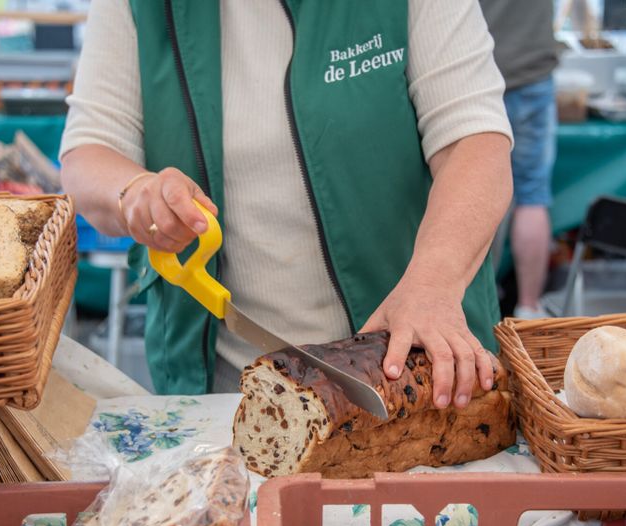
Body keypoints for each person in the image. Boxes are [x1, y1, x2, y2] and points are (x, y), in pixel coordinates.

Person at [60, 0, 513, 409]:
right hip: (232, 397)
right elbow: (89, 152)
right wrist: (136, 191)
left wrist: (432, 285)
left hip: (416, 379)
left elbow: (474, 144)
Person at [480, 0, 561, 318]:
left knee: (472, 192)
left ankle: (481, 309)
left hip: (477, 76)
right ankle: (528, 308)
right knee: (532, 197)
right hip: (529, 74)